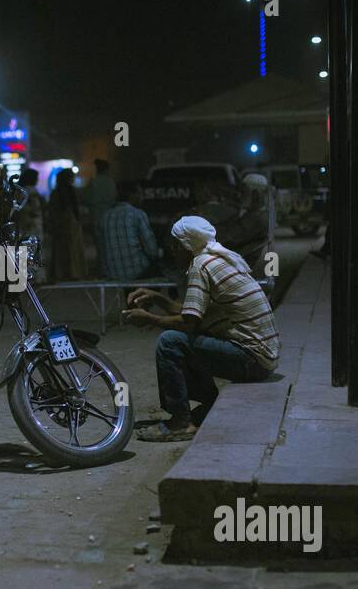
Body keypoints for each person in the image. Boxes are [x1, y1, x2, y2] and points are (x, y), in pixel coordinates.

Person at [124, 216, 280, 441]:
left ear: (184, 245)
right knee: (191, 337)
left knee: (169, 342)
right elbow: (192, 312)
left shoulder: (201, 265)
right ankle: (207, 405)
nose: (172, 249)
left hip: (253, 359)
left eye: (175, 244)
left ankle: (180, 422)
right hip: (264, 357)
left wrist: (149, 319)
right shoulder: (217, 259)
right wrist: (158, 298)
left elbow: (188, 323)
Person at [100, 180, 160, 280]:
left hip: (113, 272)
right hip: (137, 271)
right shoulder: (137, 214)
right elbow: (152, 251)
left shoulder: (105, 216)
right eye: (140, 193)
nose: (142, 197)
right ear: (132, 195)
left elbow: (102, 249)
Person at [47, 169, 87, 281]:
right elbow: (76, 208)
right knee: (73, 248)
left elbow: (52, 209)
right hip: (71, 223)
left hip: (59, 223)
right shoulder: (71, 191)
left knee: (60, 249)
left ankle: (61, 273)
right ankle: (75, 272)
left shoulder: (55, 192)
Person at [85, 158, 117, 272]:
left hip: (96, 216)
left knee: (100, 244)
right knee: (109, 243)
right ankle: (110, 267)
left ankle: (102, 268)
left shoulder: (93, 182)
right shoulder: (110, 182)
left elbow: (86, 199)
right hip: (109, 216)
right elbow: (114, 198)